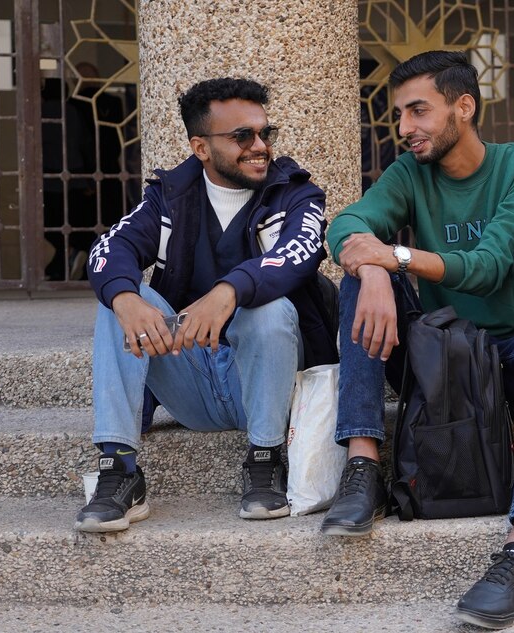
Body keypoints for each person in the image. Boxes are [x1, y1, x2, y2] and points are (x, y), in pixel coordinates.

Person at [323, 51, 514, 629]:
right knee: (359, 280)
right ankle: (363, 467)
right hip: (435, 356)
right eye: (399, 115)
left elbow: (490, 265)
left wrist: (400, 256)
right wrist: (372, 271)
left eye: (419, 111)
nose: (404, 128)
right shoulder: (408, 173)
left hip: (504, 356)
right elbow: (346, 225)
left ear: (463, 107)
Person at [75, 78, 337, 533]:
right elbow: (108, 250)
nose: (260, 147)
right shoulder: (167, 197)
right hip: (191, 381)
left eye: (265, 134)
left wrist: (228, 292)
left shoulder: (297, 194)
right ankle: (119, 470)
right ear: (200, 146)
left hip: (266, 385)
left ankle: (265, 459)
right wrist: (125, 297)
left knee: (269, 308)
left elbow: (299, 254)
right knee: (118, 301)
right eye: (242, 136)